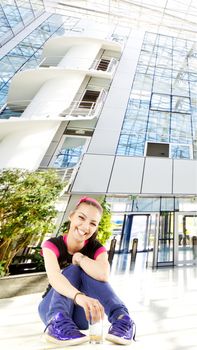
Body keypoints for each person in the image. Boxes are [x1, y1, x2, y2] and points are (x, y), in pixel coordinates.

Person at [38, 196, 136, 346]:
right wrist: (79, 297)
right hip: (51, 308)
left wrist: (80, 257)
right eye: (81, 218)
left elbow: (103, 275)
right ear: (71, 216)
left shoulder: (97, 248)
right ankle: (57, 322)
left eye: (92, 223)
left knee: (85, 268)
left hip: (83, 314)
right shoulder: (52, 245)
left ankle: (122, 319)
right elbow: (54, 277)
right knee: (73, 270)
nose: (85, 226)